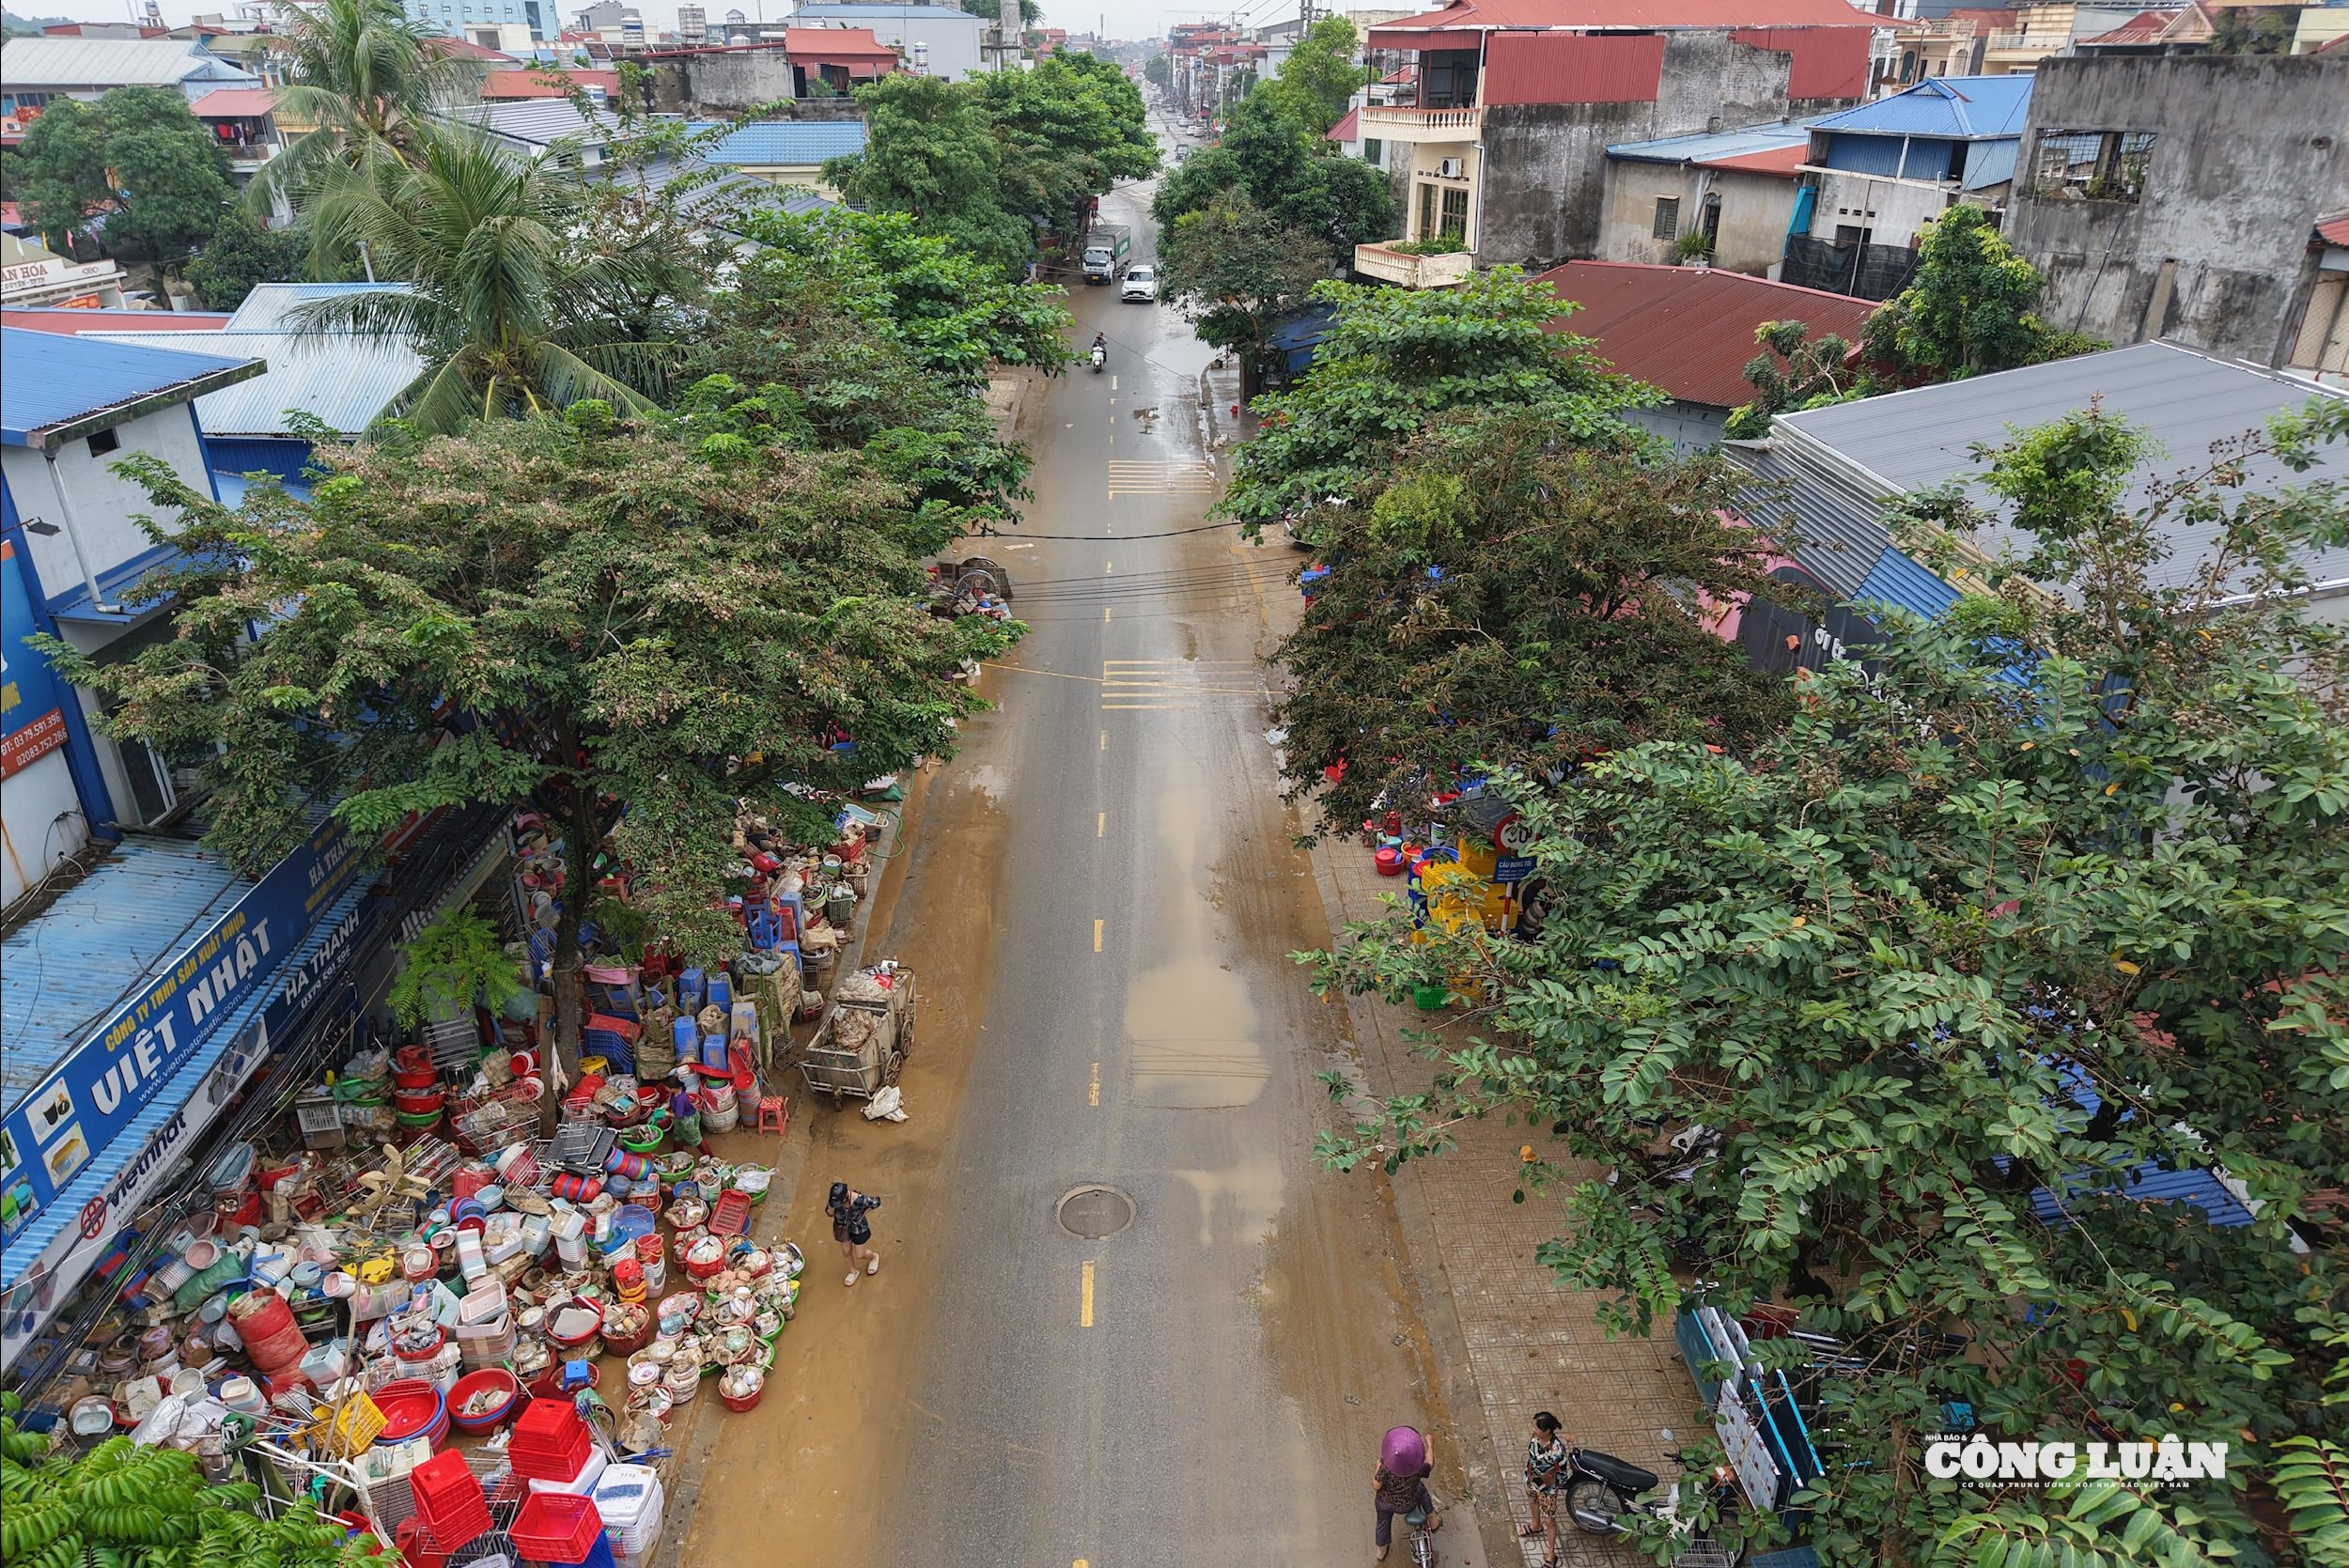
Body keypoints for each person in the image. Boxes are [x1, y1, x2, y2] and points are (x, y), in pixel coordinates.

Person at [1521, 1411, 1568, 1568]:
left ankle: (1551, 1554)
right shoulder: (1536, 1438)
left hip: (1547, 1489)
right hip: (1531, 1479)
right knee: (1532, 1500)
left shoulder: (1558, 1452)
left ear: (1547, 1431)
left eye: (1536, 1427)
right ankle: (1535, 1524)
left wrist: (1552, 1488)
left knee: (1550, 1520)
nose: (1533, 1429)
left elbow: (1563, 1474)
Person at [1372, 1455, 1438, 1562]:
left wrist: (1377, 1467)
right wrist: (1430, 1445)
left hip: (1385, 1503)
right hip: (1408, 1504)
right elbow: (1430, 1463)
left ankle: (1381, 1552)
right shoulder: (1417, 1466)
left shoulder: (1386, 1466)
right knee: (1420, 1488)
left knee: (1382, 1523)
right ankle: (1433, 1519)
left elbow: (1376, 1486)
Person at [826, 1181, 881, 1286]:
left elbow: (876, 1202)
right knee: (846, 1251)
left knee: (860, 1254)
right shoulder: (835, 1200)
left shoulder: (859, 1199)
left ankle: (874, 1257)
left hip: (858, 1228)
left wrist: (863, 1214)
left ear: (846, 1195)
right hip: (842, 1227)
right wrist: (831, 1207)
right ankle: (853, 1271)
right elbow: (829, 1213)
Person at [667, 1070, 709, 1156]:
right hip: (680, 1121)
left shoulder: (680, 1099)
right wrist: (664, 1106)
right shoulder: (675, 1092)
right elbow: (670, 1102)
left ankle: (710, 1156)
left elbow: (679, 1115)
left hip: (688, 1120)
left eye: (666, 1087)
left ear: (672, 1088)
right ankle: (677, 1154)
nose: (665, 1089)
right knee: (678, 1136)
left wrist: (666, 1114)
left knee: (695, 1138)